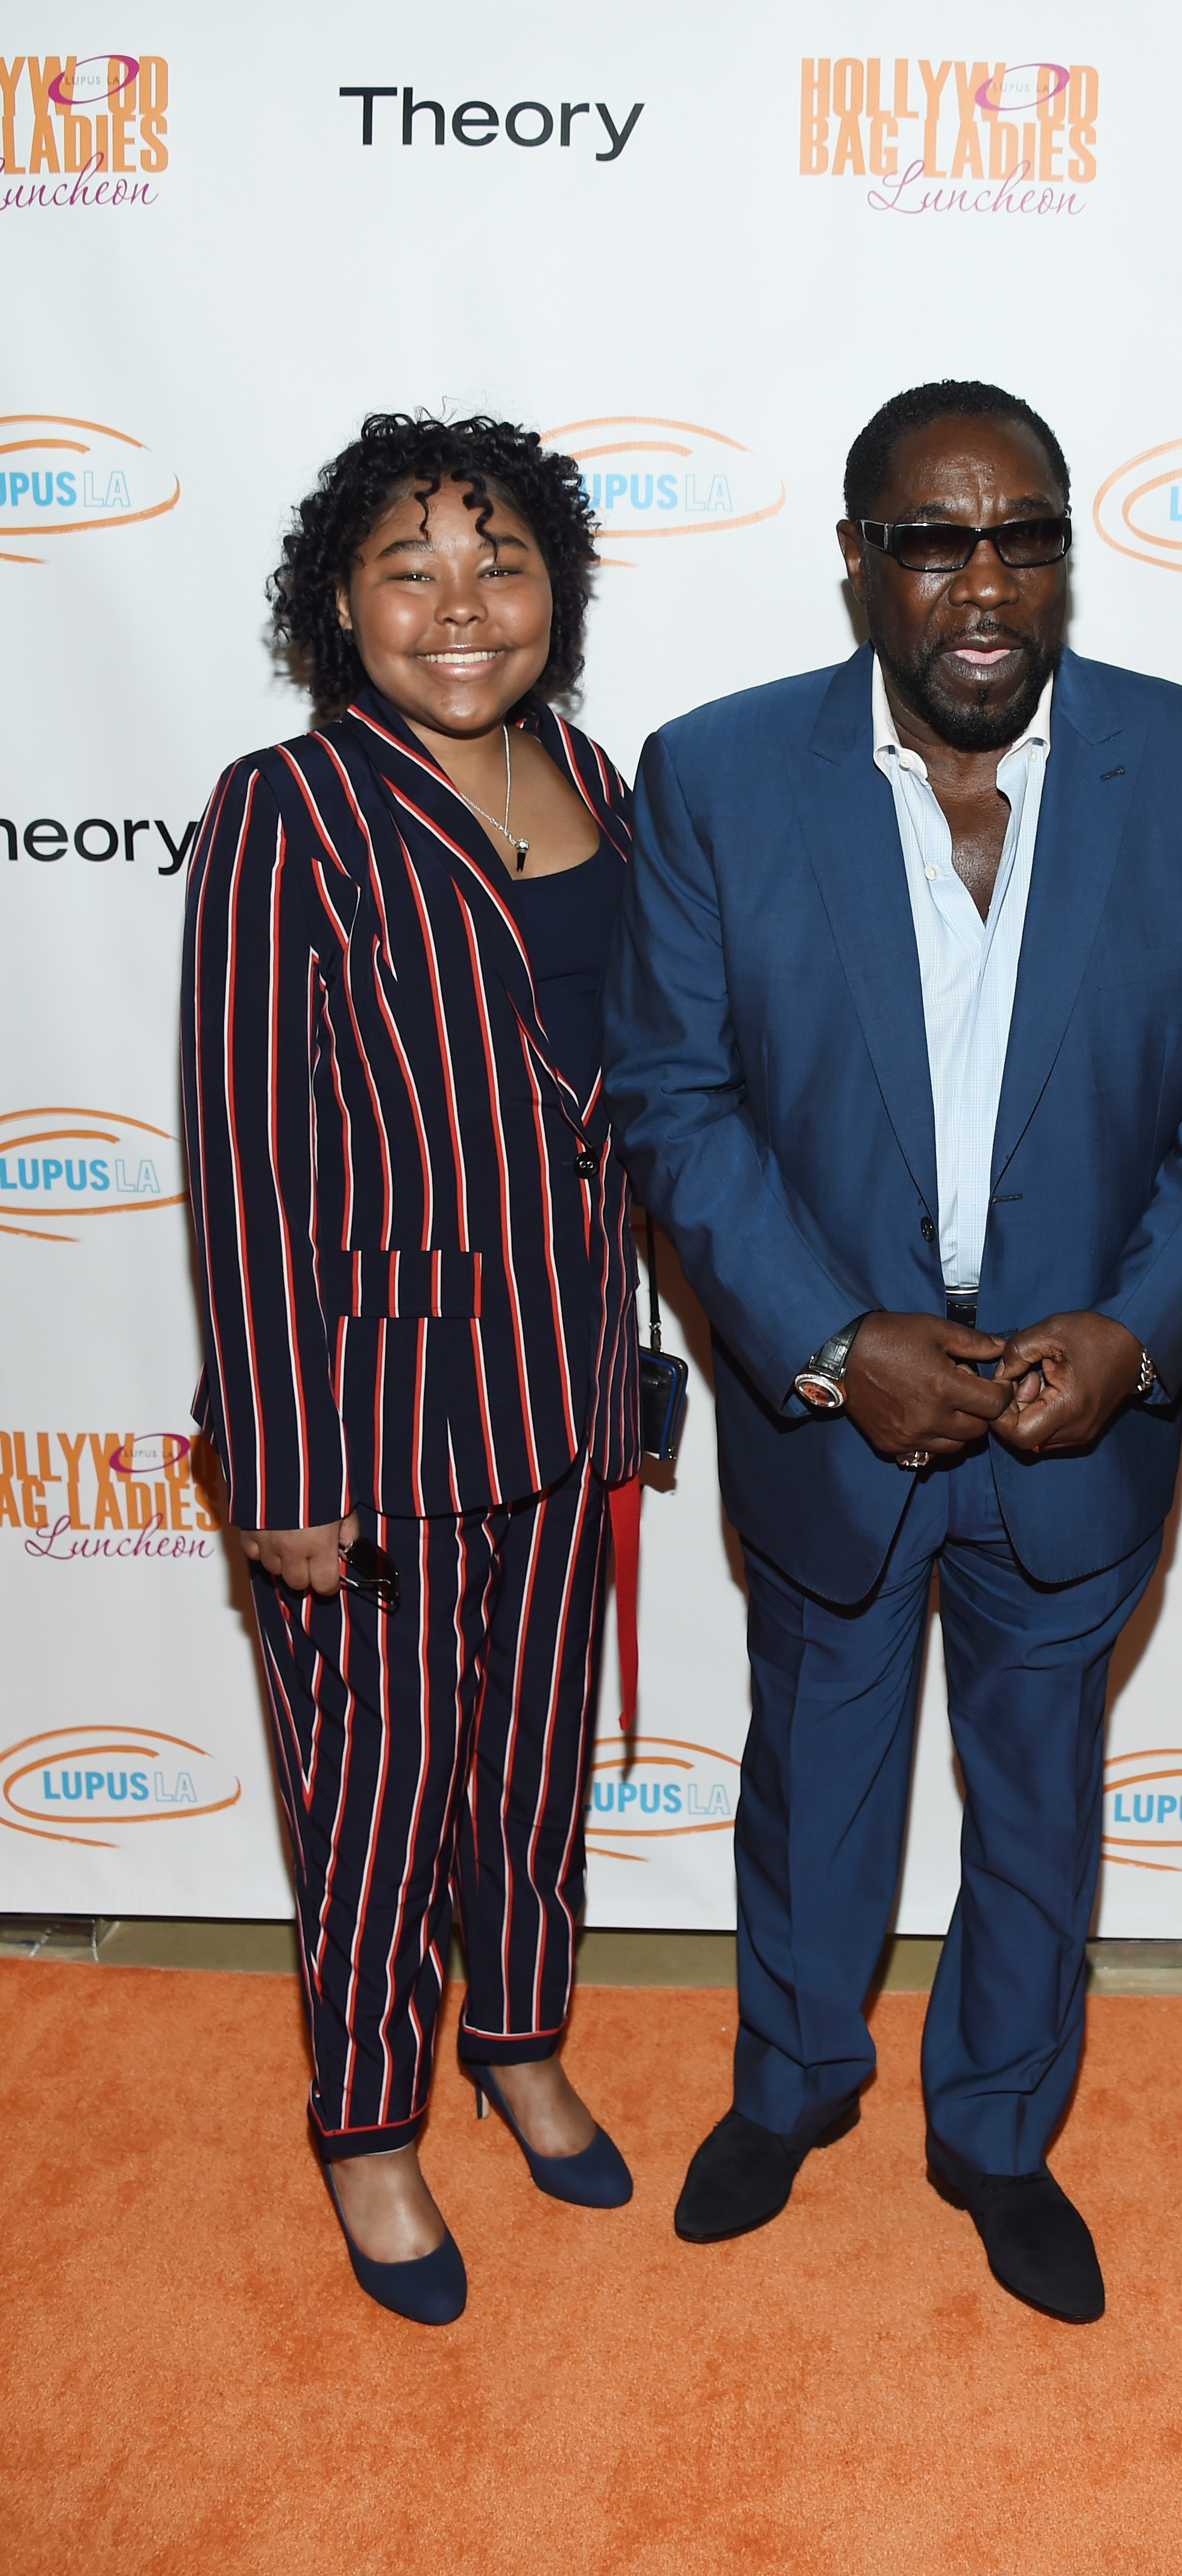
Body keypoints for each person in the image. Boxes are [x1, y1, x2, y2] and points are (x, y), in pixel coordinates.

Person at [605, 379, 1182, 2324]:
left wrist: (1140, 1327)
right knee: (813, 1782)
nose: (983, 581)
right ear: (859, 562)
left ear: (1065, 556)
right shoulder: (719, 777)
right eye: (934, 539)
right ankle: (789, 2084)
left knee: (1039, 1804)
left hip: (1082, 1423)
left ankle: (996, 2136)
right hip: (834, 1420)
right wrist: (833, 1344)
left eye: (1025, 536)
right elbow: (673, 1097)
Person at [181, 415, 643, 2327]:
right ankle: (366, 2125)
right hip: (364, 1420)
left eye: (502, 561)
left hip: (560, 1389)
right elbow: (243, 1144)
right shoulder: (285, 807)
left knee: (528, 1772)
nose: (462, 606)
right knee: (372, 1795)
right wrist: (278, 1458)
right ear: (339, 604)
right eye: (410, 567)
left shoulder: (594, 772)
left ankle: (518, 2038)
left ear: (558, 592)